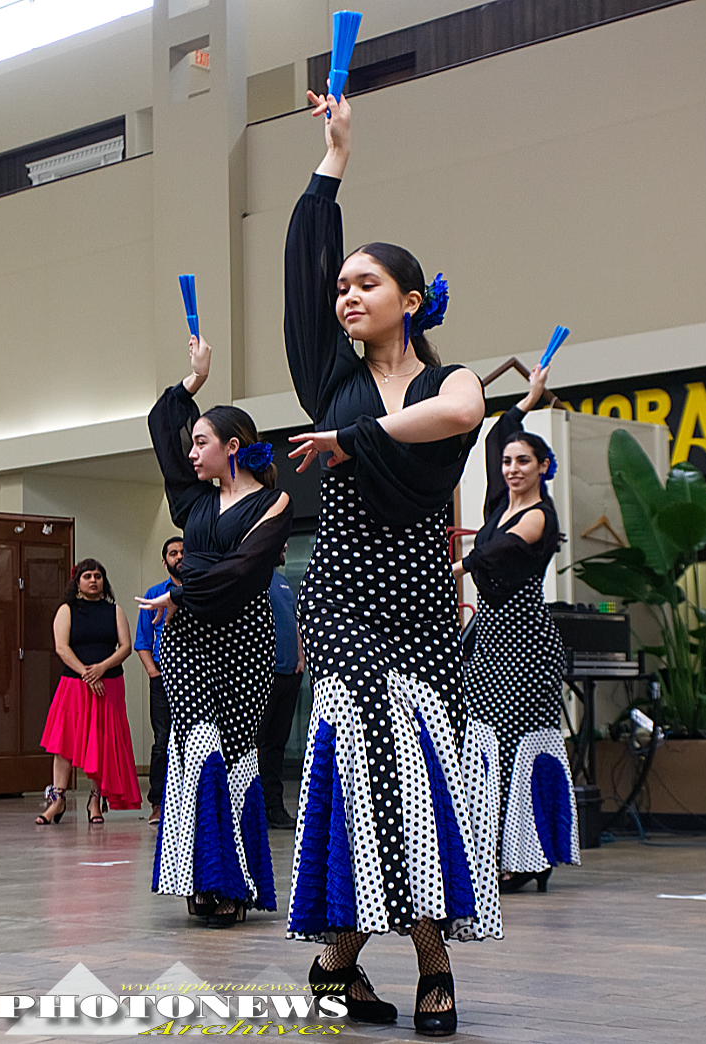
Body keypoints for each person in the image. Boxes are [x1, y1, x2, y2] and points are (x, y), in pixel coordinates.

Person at [283, 91, 501, 1037]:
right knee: (372, 756)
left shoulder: (448, 378)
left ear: (410, 302)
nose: (346, 295)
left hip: (418, 595)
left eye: (366, 284)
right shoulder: (326, 372)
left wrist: (350, 437)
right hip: (340, 593)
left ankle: (337, 965)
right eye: (344, 287)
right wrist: (333, 161)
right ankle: (429, 959)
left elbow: (460, 418)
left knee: (421, 767)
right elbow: (301, 263)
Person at [138, 333, 293, 929]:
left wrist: (182, 588)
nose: (192, 450)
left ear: (234, 447)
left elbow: (245, 570)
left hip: (241, 639)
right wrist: (193, 382)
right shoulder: (193, 501)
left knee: (231, 753)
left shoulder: (272, 503)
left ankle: (233, 879)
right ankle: (199, 876)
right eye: (193, 440)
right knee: (192, 749)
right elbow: (162, 425)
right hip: (188, 642)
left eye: (202, 442)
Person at [454, 364, 580, 893]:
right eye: (507, 462)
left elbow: (500, 553)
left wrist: (458, 566)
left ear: (543, 466)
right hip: (490, 637)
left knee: (516, 745)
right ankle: (497, 853)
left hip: (525, 639)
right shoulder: (499, 507)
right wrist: (527, 401)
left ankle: (531, 855)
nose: (510, 468)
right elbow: (498, 435)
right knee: (482, 743)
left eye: (522, 461)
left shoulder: (540, 517)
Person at [36, 558, 140, 825]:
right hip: (74, 684)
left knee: (102, 742)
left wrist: (101, 668)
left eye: (97, 576)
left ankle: (96, 800)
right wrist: (86, 672)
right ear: (77, 582)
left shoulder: (114, 610)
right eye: (87, 576)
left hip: (109, 685)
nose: (93, 580)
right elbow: (62, 647)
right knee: (64, 743)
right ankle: (57, 800)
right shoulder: (67, 610)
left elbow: (125, 646)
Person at [134, 536, 183, 825]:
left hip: (195, 677)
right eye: (173, 553)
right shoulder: (155, 594)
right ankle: (158, 803)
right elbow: (142, 641)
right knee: (162, 740)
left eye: (183, 552)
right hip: (163, 677)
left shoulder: (200, 590)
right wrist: (154, 673)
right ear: (165, 561)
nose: (180, 557)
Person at [258, 544, 305, 829]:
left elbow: (296, 622)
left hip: (290, 673)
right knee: (262, 744)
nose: (285, 545)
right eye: (279, 541)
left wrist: (300, 657)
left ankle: (274, 806)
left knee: (277, 744)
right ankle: (263, 808)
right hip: (266, 675)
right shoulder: (254, 581)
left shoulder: (284, 582)